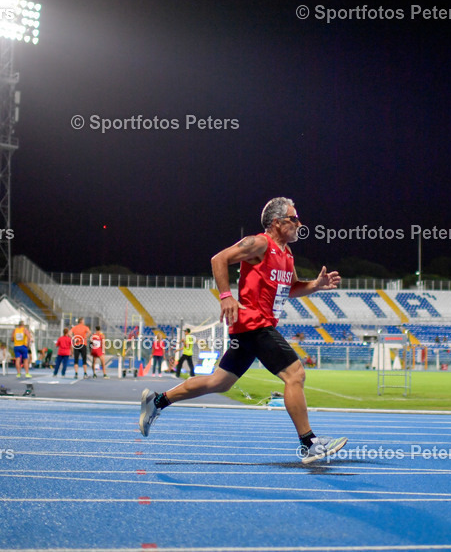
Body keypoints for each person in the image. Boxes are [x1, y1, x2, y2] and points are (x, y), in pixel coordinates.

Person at [139, 197, 347, 464]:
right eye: (294, 219)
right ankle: (310, 444)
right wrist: (226, 295)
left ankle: (157, 402)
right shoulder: (261, 243)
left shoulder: (287, 254)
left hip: (251, 328)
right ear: (277, 222)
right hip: (254, 324)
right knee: (295, 373)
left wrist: (315, 285)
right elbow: (219, 259)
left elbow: (292, 288)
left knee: (219, 382)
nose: (300, 224)